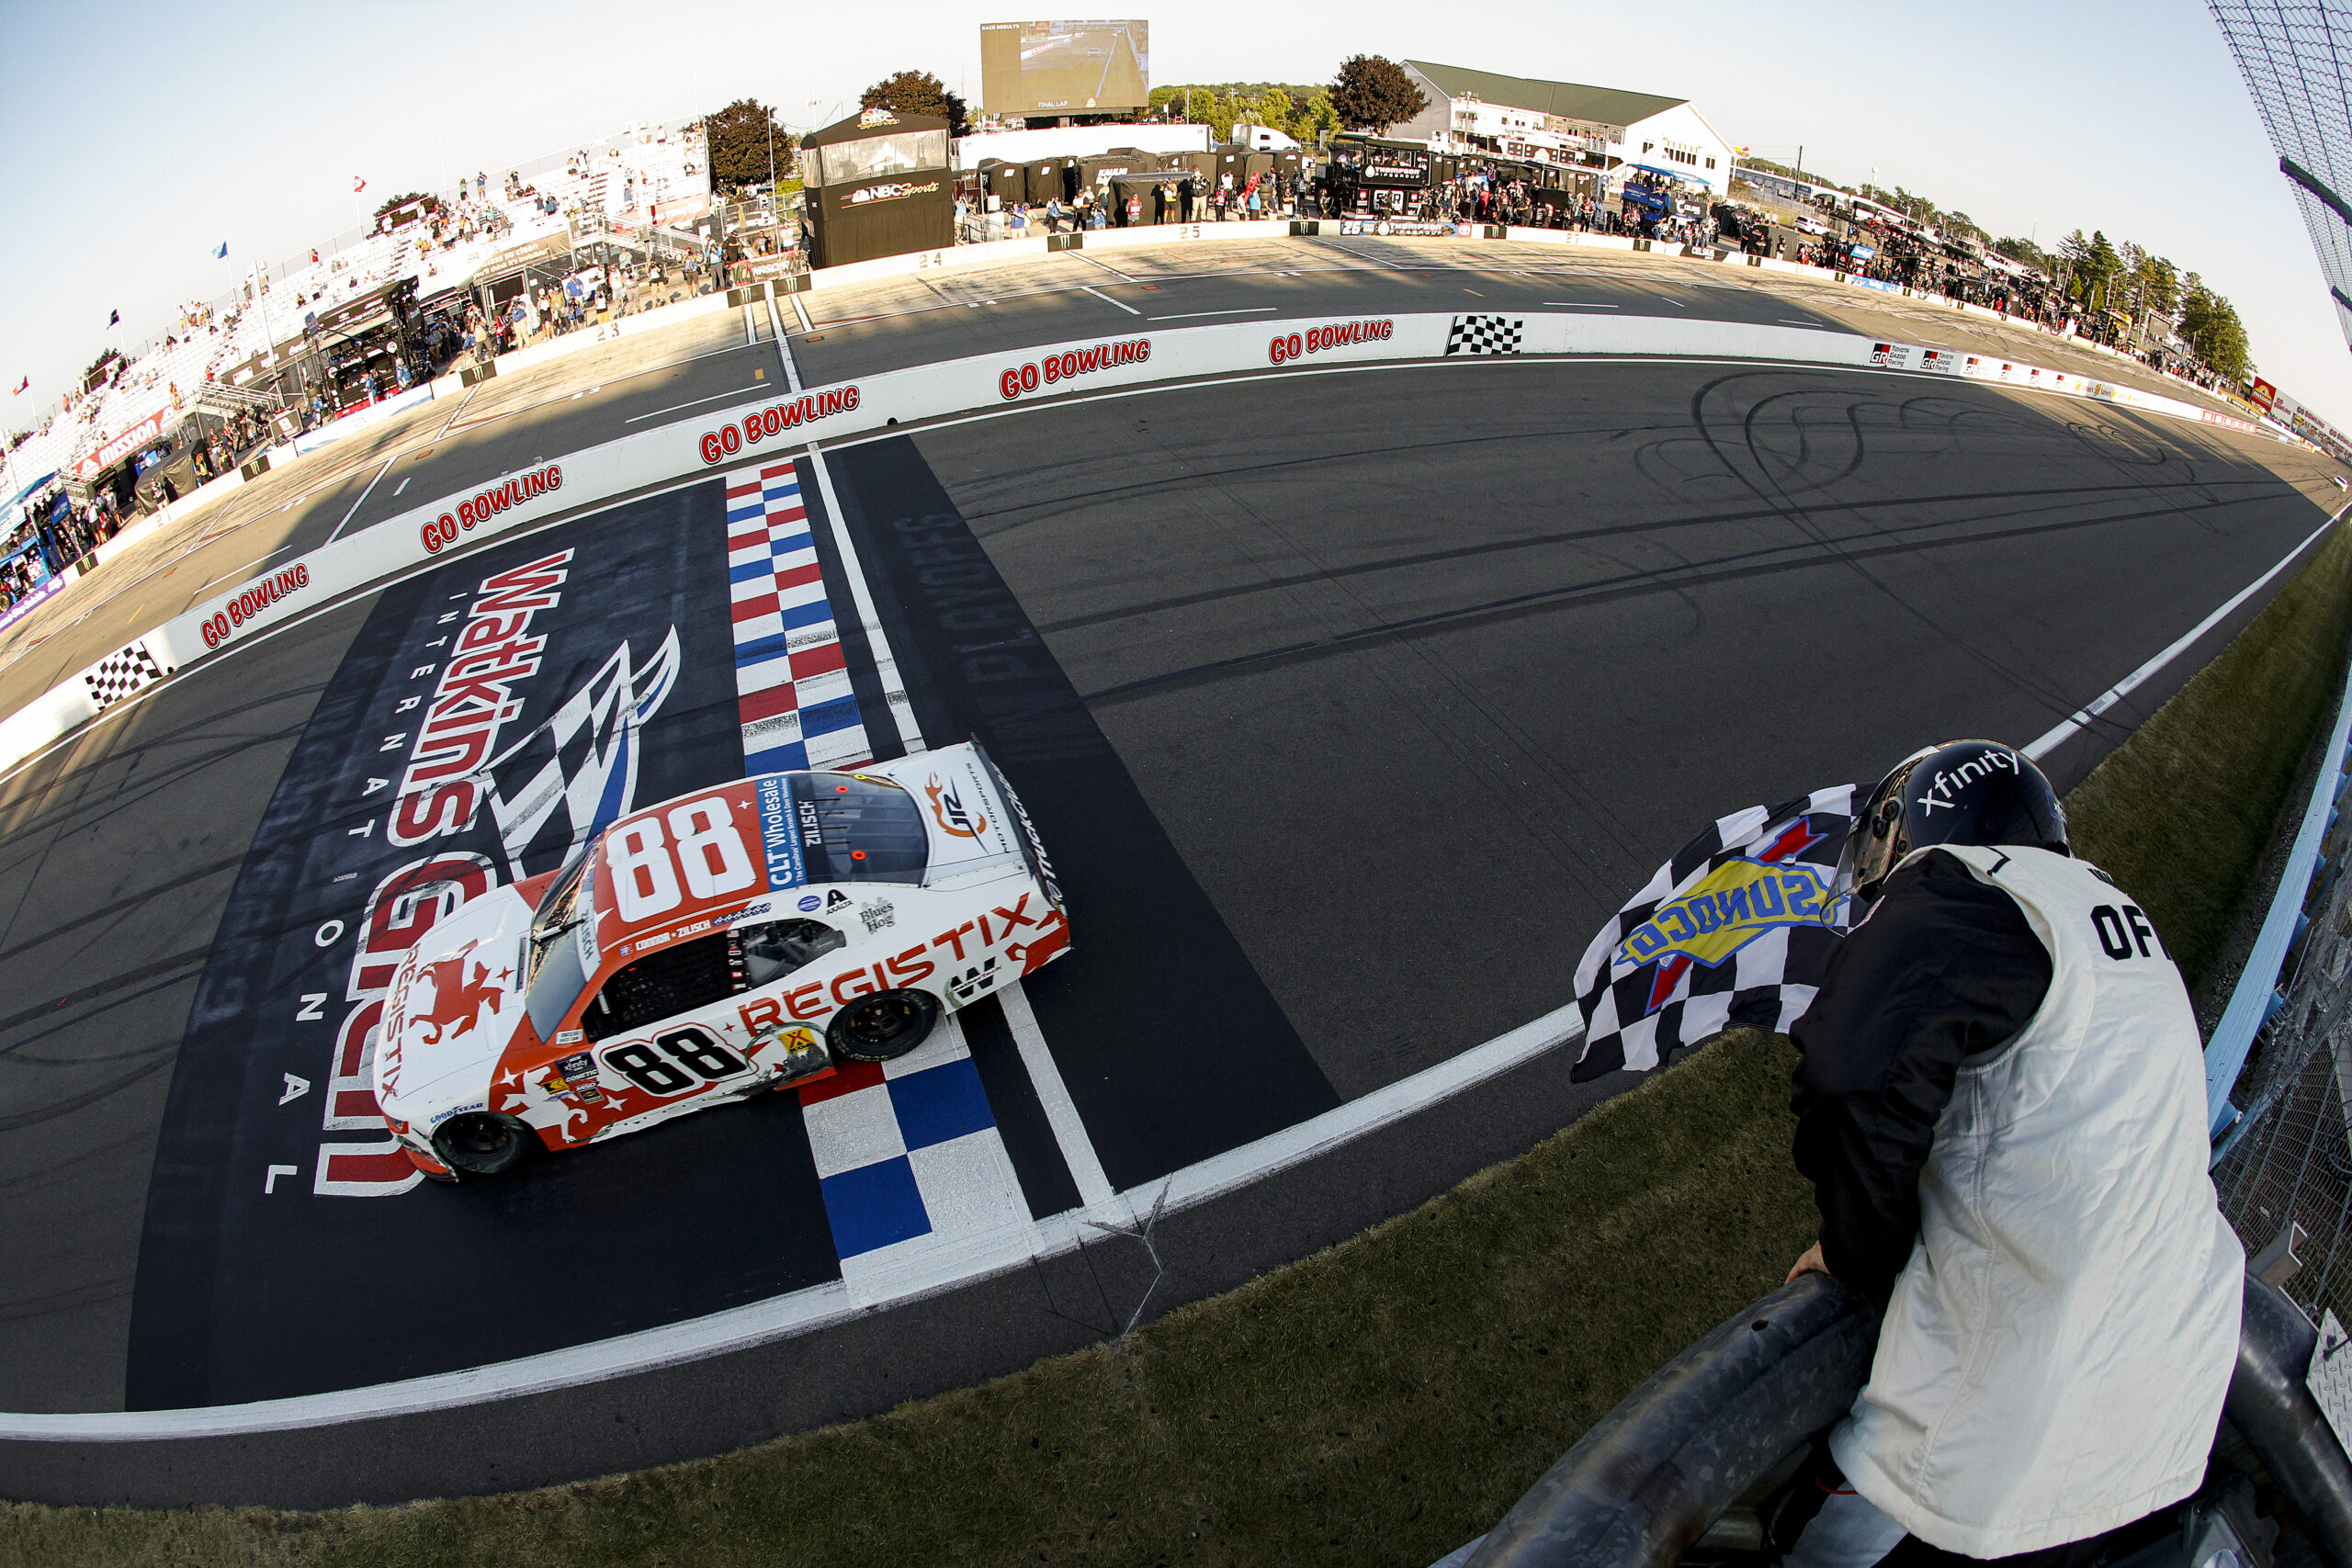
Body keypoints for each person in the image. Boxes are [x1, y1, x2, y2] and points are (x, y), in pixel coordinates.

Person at [1781, 739, 2243, 1568]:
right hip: (2176, 1399)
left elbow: (1853, 1074)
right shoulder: (2108, 908)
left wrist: (1858, 1251)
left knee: (1812, 1543)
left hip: (2013, 1426)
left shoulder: (1965, 882)